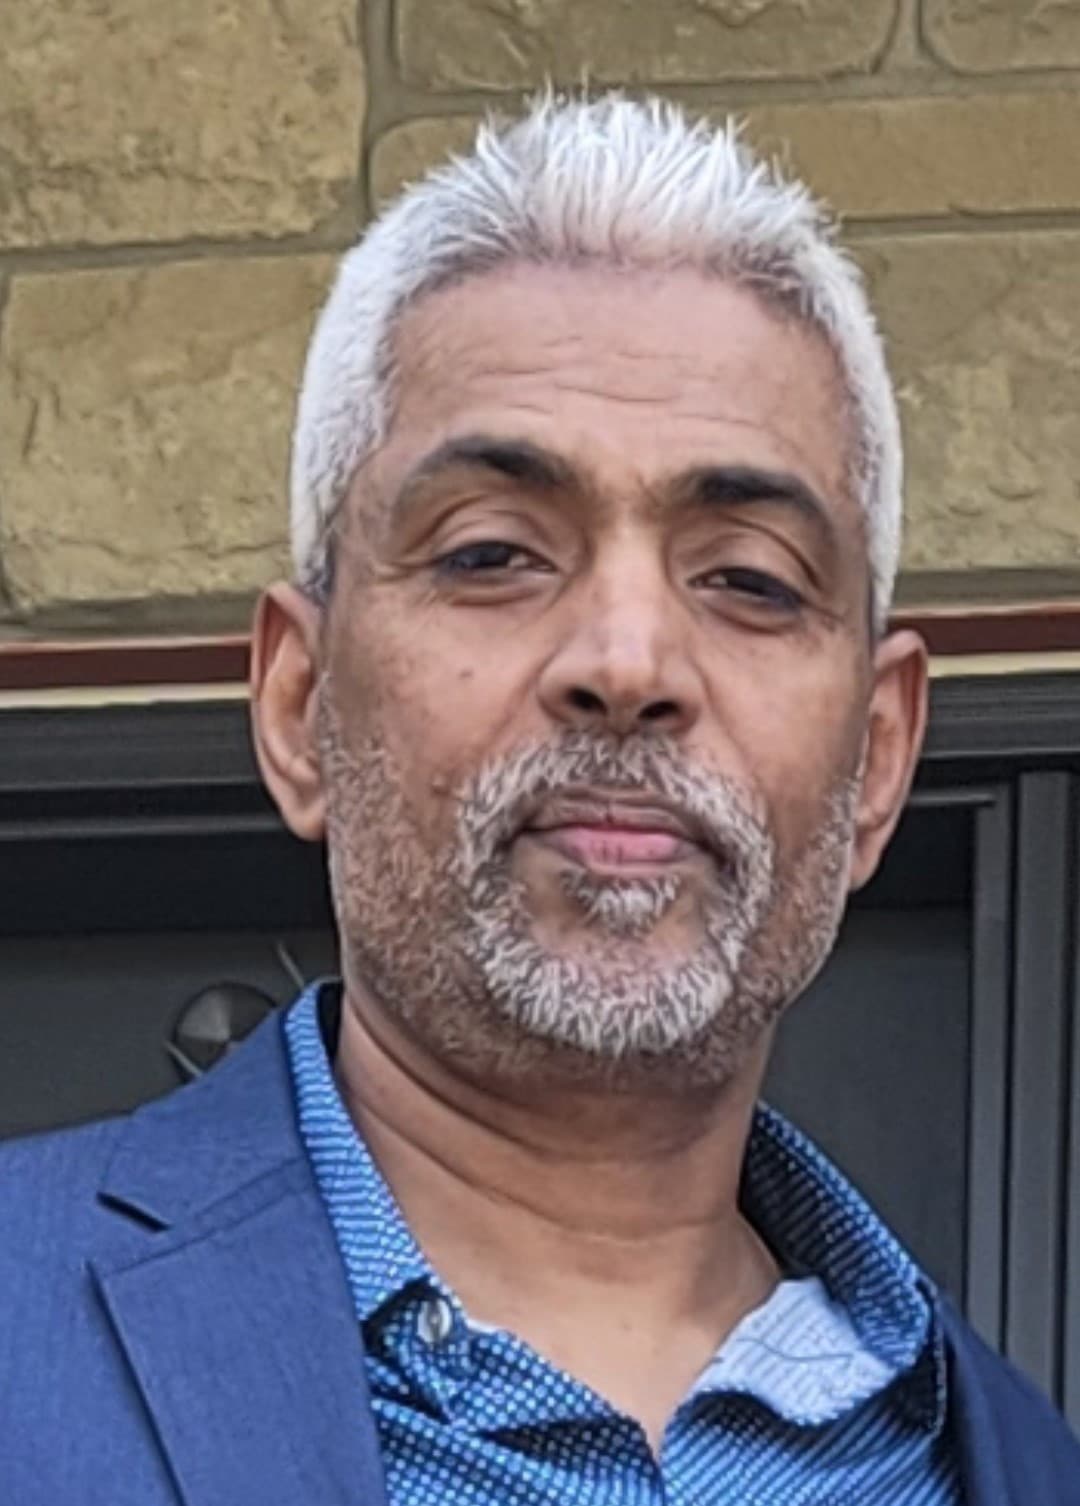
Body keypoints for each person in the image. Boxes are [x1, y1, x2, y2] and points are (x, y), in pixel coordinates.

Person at [2, 94, 1077, 1506]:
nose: (627, 663)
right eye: (493, 553)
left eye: (749, 578)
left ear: (877, 760)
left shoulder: (1016, 1461)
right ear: (300, 705)